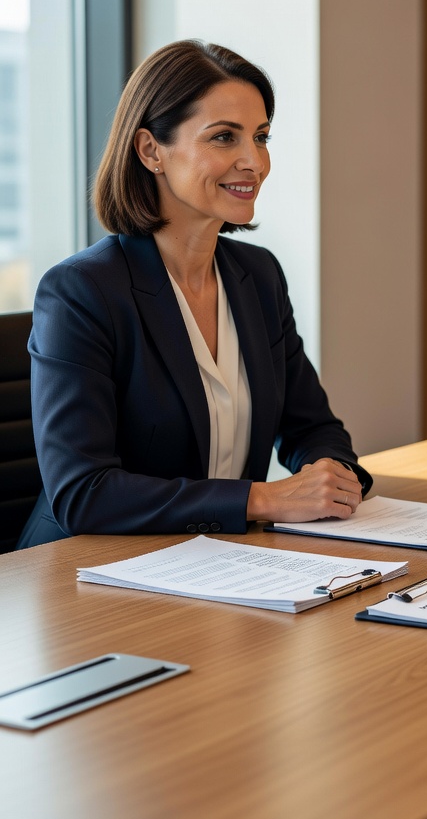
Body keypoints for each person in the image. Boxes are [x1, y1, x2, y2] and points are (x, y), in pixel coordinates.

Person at [18, 40, 371, 548]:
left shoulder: (259, 276)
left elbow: (311, 425)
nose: (254, 161)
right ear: (150, 151)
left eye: (261, 136)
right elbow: (83, 493)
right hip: (86, 573)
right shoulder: (81, 292)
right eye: (224, 137)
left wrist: (330, 474)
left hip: (215, 563)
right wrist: (263, 499)